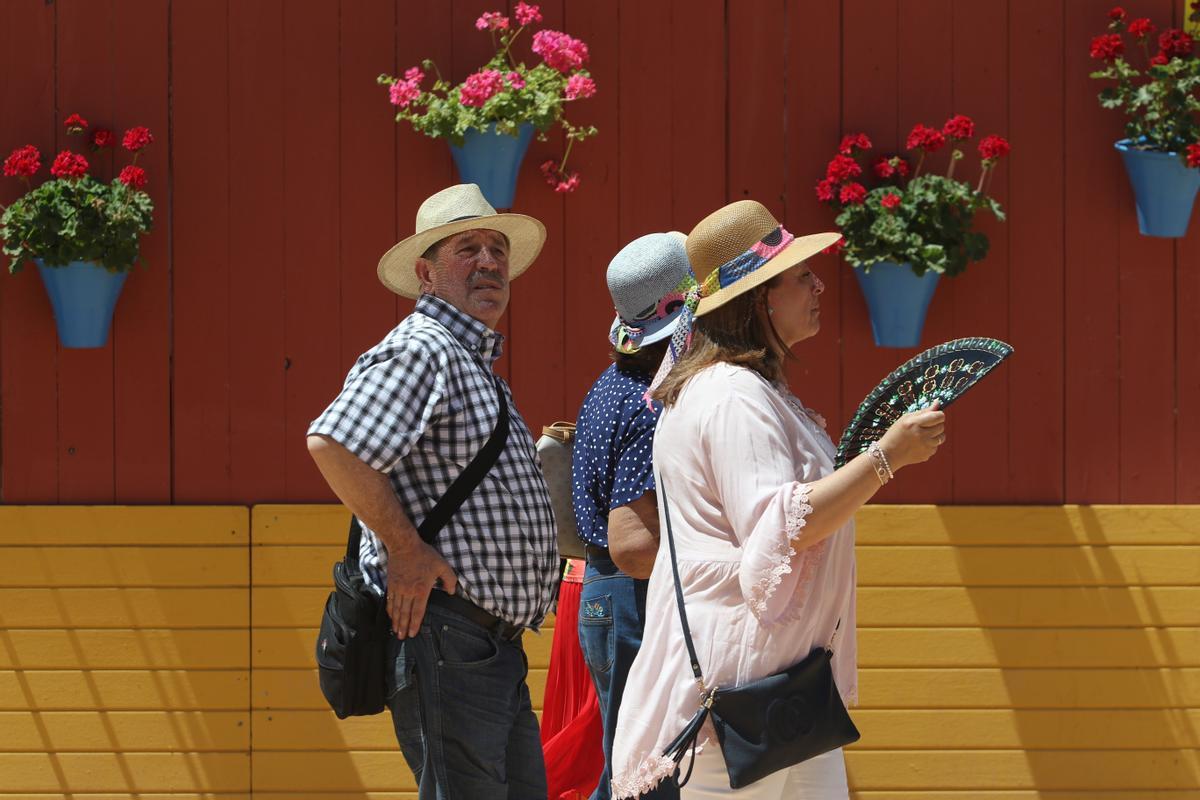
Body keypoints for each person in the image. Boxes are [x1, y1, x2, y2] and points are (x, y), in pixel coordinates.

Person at [610, 201, 947, 799]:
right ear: (759, 296)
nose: (818, 283)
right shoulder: (733, 393)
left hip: (779, 682)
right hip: (744, 685)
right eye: (799, 276)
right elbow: (780, 526)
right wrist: (886, 457)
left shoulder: (743, 388)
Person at [306, 183, 559, 799]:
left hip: (480, 642)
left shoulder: (467, 360)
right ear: (426, 273)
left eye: (497, 249)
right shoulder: (425, 348)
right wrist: (406, 551)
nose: (490, 262)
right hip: (450, 635)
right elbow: (332, 444)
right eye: (467, 249)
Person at [572, 232, 693, 800]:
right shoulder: (649, 402)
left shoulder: (609, 386)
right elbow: (635, 548)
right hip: (633, 598)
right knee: (648, 780)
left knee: (627, 770)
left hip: (605, 595)